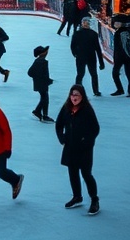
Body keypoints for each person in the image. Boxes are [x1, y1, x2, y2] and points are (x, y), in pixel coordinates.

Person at [55, 83, 100, 215]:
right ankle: (77, 196)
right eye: (72, 94)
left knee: (86, 174)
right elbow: (59, 125)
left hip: (84, 149)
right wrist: (62, 138)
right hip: (70, 147)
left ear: (82, 96)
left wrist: (87, 141)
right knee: (72, 173)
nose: (74, 97)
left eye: (77, 95)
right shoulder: (66, 108)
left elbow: (95, 129)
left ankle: (94, 199)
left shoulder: (87, 110)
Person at [70, 18, 104, 96]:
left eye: (87, 22)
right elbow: (72, 46)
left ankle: (96, 91)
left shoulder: (94, 34)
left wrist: (101, 62)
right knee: (80, 74)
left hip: (91, 57)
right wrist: (75, 54)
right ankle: (77, 91)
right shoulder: (77, 33)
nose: (86, 24)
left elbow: (98, 48)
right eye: (84, 22)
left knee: (94, 74)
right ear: (82, 23)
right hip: (80, 57)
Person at [110, 17, 130, 96]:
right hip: (126, 57)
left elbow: (125, 46)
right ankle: (128, 90)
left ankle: (123, 90)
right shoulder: (126, 31)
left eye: (117, 23)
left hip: (123, 57)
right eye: (115, 23)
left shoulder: (123, 33)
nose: (115, 24)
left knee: (121, 74)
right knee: (128, 74)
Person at [27, 45, 54, 122]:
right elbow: (31, 72)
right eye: (45, 51)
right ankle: (41, 113)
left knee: (44, 98)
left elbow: (32, 72)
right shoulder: (41, 62)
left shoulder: (40, 61)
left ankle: (40, 113)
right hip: (42, 83)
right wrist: (45, 80)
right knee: (45, 98)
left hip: (41, 83)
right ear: (42, 53)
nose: (47, 52)